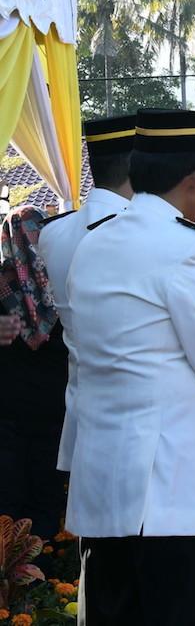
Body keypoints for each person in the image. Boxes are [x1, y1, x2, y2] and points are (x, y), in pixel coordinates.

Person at [63, 108, 195, 625]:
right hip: (180, 498)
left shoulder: (93, 244)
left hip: (105, 498)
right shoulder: (193, 250)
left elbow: (82, 370)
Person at [38, 114, 135, 483]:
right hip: (137, 414)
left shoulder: (54, 232)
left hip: (82, 403)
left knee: (96, 535)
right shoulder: (136, 229)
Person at [0, 206, 67, 574]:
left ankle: (12, 597)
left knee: (8, 506)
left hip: (11, 418)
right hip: (51, 414)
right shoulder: (62, 287)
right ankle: (41, 587)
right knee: (42, 504)